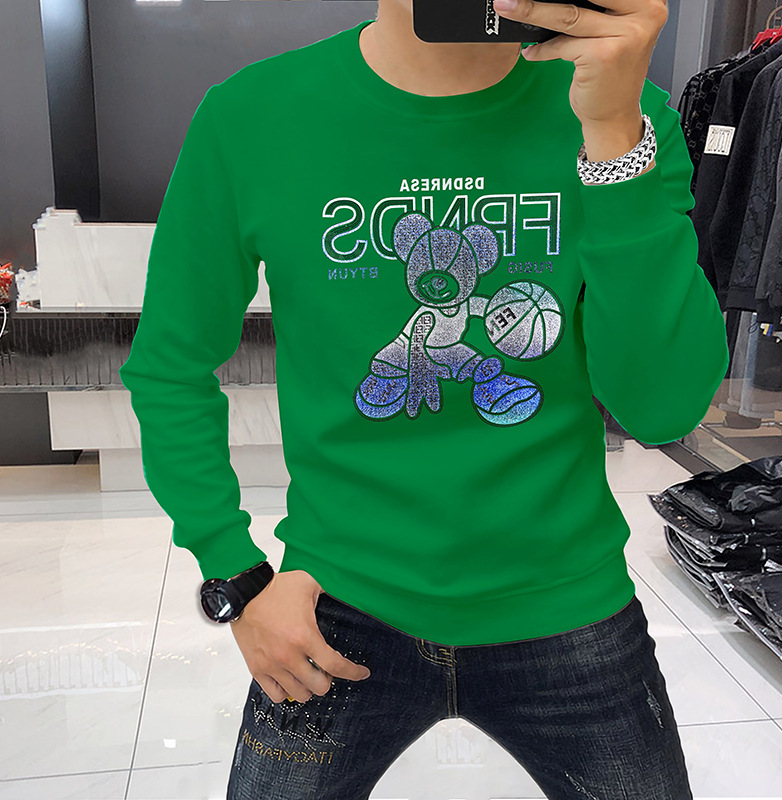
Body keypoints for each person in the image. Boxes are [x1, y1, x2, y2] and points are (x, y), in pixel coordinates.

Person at [119, 0, 730, 797]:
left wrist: (614, 137)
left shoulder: (625, 115)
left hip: (565, 599)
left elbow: (662, 410)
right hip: (336, 599)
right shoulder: (253, 115)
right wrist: (234, 575)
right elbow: (171, 365)